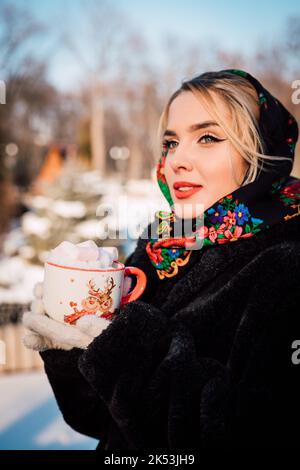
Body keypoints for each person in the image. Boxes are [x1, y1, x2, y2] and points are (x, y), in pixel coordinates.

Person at [23, 69, 300, 450]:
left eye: (207, 137)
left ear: (260, 153)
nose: (176, 161)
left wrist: (121, 344)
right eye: (171, 142)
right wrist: (70, 339)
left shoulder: (286, 264)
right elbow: (97, 421)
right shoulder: (160, 248)